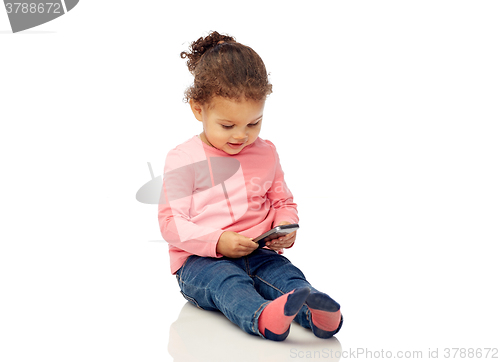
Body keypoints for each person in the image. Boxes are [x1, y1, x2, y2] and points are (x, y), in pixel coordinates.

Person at [158, 31, 343, 341]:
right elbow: (170, 223)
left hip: (258, 251)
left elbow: (282, 201)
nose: (241, 135)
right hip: (201, 262)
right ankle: (261, 317)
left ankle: (315, 311)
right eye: (227, 125)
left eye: (253, 123)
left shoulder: (266, 152)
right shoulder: (183, 158)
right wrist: (218, 241)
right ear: (198, 109)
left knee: (285, 276)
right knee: (228, 282)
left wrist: (284, 226)